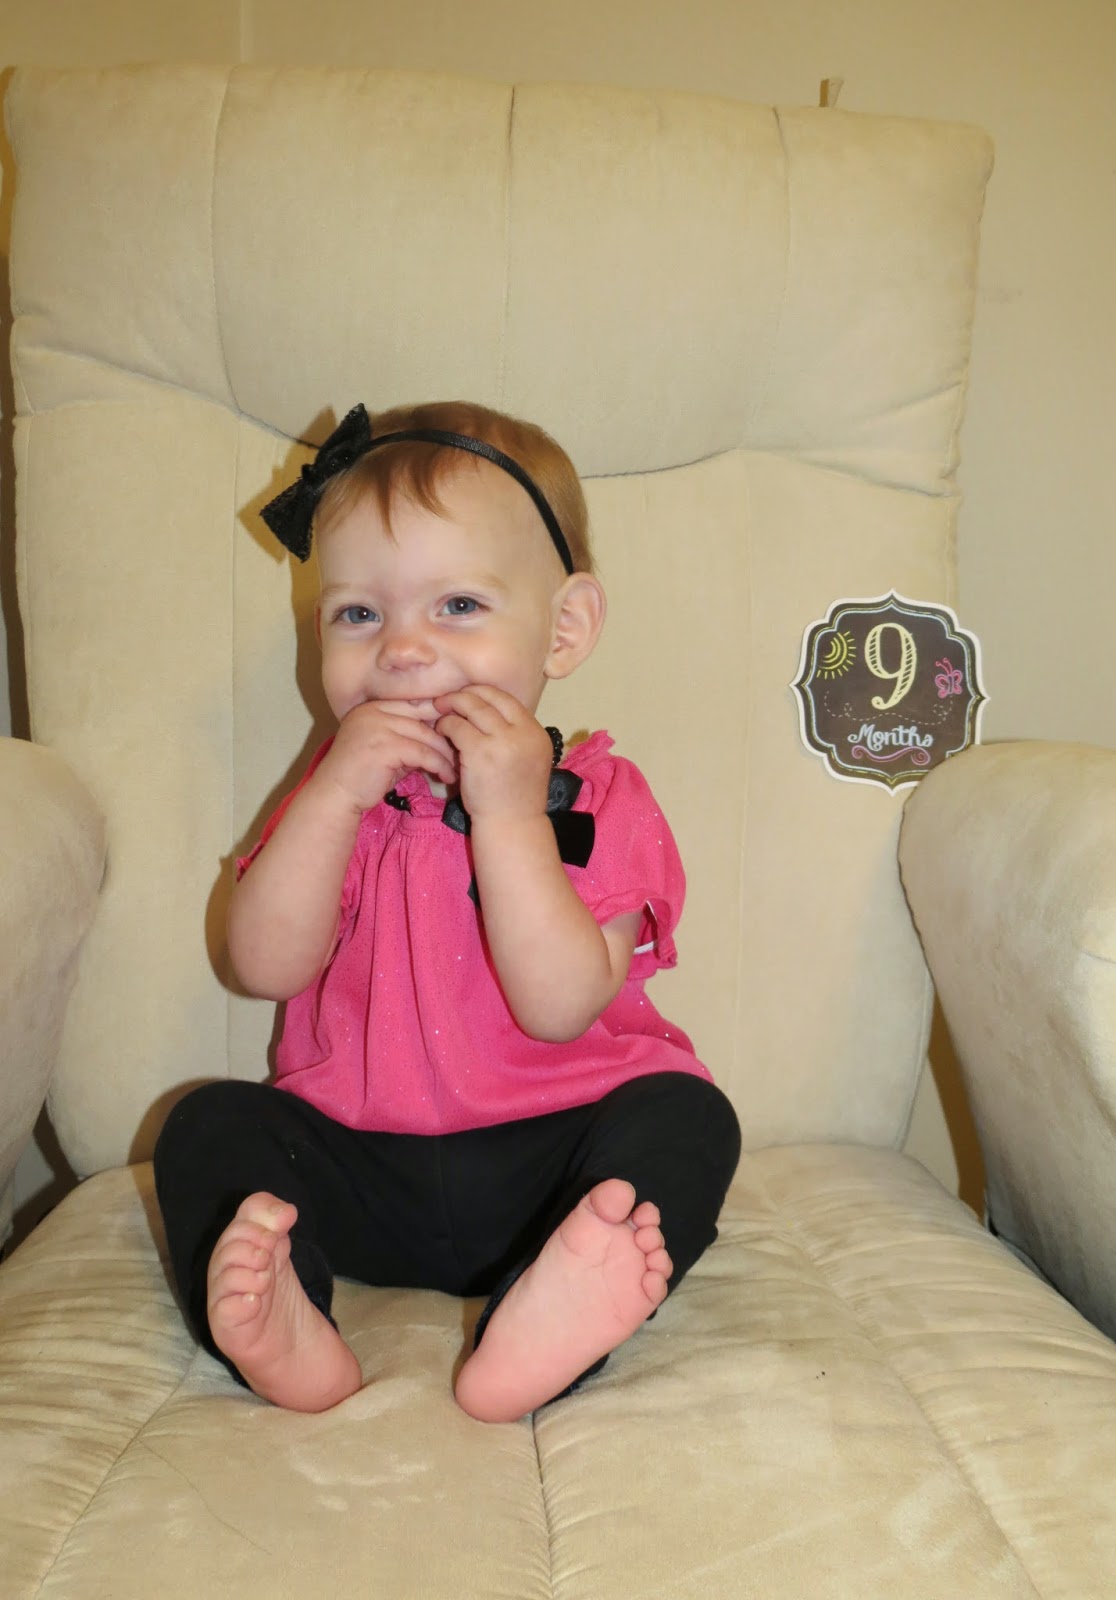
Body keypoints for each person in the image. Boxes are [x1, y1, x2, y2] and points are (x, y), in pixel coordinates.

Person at [153, 400, 741, 1423]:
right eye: (358, 614)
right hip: (357, 1161)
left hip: (554, 1167)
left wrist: (509, 811)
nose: (403, 650)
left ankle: (549, 1317)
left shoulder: (598, 799)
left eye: (458, 605)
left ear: (564, 628)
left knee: (688, 1120)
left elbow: (560, 1004)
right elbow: (261, 965)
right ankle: (285, 1315)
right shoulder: (331, 798)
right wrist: (334, 797)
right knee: (206, 1123)